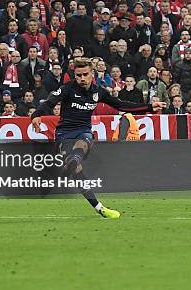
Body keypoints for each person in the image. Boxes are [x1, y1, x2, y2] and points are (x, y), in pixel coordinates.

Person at [31, 57, 166, 219]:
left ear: (92, 74)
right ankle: (93, 202)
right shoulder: (67, 88)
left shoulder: (98, 92)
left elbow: (121, 105)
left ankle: (77, 170)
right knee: (74, 169)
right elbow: (50, 102)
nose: (81, 78)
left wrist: (150, 107)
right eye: (78, 75)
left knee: (80, 149)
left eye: (85, 74)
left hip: (83, 131)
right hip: (64, 134)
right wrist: (36, 115)